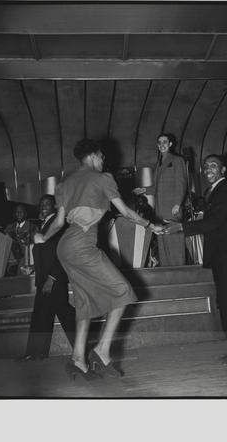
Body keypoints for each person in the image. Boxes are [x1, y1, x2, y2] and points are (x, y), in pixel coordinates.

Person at [34, 139, 163, 380]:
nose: (104, 160)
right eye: (102, 156)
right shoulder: (103, 178)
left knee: (84, 303)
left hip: (65, 247)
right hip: (83, 245)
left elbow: (59, 223)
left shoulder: (64, 184)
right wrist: (150, 225)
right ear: (93, 156)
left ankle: (78, 359)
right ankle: (102, 351)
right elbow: (125, 212)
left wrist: (43, 237)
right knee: (123, 291)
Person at [164, 154, 227, 364]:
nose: (208, 169)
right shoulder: (214, 191)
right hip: (223, 255)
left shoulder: (226, 189)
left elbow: (215, 222)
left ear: (223, 170)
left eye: (213, 165)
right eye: (205, 166)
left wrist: (181, 227)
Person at [19, 195, 76, 361]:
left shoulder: (57, 224)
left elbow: (62, 254)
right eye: (41, 204)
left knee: (60, 314)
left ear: (55, 207)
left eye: (47, 204)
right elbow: (46, 255)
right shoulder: (45, 225)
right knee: (44, 315)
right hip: (45, 279)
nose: (43, 206)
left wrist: (52, 277)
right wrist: (32, 268)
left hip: (52, 279)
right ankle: (35, 353)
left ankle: (83, 348)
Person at [133, 133, 188, 266]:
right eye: (160, 142)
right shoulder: (159, 164)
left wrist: (177, 203)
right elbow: (157, 187)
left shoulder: (177, 160)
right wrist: (144, 190)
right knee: (163, 242)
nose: (162, 144)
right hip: (160, 210)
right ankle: (167, 270)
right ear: (157, 146)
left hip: (172, 208)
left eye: (165, 142)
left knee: (174, 241)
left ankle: (179, 270)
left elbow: (181, 183)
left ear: (170, 144)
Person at [5, 204, 37, 275]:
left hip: (27, 263)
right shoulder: (8, 228)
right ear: (14, 214)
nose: (19, 214)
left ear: (26, 214)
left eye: (21, 212)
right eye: (17, 212)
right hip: (11, 264)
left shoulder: (33, 228)